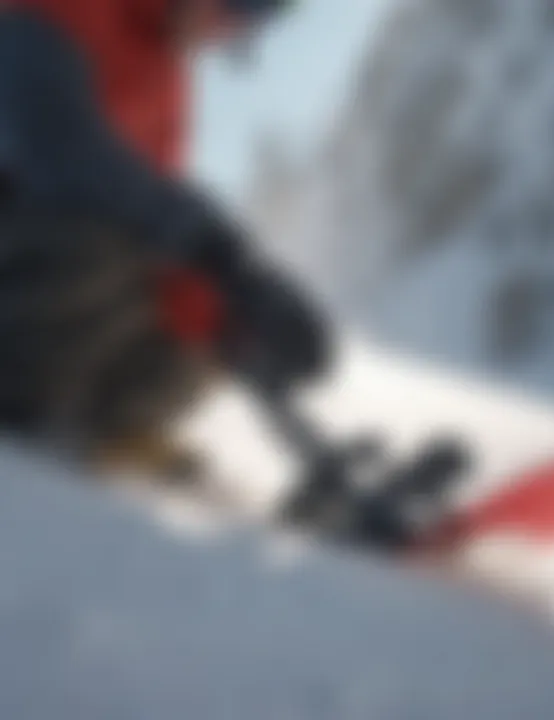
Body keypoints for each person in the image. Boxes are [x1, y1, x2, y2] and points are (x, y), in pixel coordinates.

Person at [0, 0, 329, 482]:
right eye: (241, 5)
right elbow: (65, 158)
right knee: (98, 236)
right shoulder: (54, 11)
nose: (235, 28)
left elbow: (165, 235)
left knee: (203, 316)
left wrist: (234, 313)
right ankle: (22, 407)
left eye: (261, 17)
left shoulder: (165, 79)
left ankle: (93, 426)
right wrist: (222, 253)